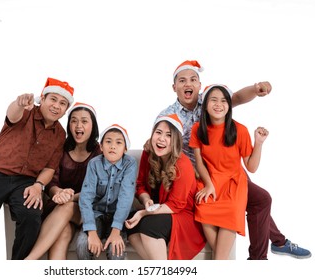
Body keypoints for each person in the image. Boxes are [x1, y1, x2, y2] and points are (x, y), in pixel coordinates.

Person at [159, 60, 311, 259]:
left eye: (193, 80)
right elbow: (161, 146)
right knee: (255, 201)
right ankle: (276, 243)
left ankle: (264, 254)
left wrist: (256, 89)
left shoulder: (211, 98)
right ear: (174, 87)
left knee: (260, 199)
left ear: (198, 85)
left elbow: (237, 97)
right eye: (182, 80)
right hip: (198, 174)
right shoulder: (168, 116)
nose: (188, 84)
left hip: (228, 169)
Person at [0, 77, 74, 260]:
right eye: (53, 99)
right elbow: (12, 114)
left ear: (65, 110)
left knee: (31, 218)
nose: (57, 106)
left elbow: (49, 168)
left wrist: (38, 185)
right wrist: (19, 102)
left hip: (25, 182)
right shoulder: (26, 111)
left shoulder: (60, 134)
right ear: (43, 98)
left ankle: (18, 270)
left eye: (63, 103)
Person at [189, 84, 268, 259]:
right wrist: (208, 185)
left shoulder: (240, 130)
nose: (219, 105)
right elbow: (199, 162)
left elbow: (252, 167)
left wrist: (259, 143)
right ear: (205, 105)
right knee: (203, 208)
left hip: (234, 183)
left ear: (229, 105)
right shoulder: (197, 129)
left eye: (224, 101)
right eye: (213, 100)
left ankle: (220, 263)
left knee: (230, 217)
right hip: (210, 181)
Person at [25, 102, 101, 260]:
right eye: (74, 120)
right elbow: (52, 181)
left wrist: (69, 197)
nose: (78, 125)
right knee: (63, 233)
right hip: (58, 207)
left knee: (66, 207)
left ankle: (28, 261)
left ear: (93, 126)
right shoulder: (61, 148)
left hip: (86, 210)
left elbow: (95, 189)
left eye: (84, 121)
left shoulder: (99, 152)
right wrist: (58, 193)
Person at [126, 114, 206, 260]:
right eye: (158, 132)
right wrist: (146, 200)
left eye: (168, 135)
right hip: (159, 210)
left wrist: (143, 213)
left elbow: (176, 205)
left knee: (149, 225)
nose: (162, 138)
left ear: (175, 141)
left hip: (183, 215)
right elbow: (140, 185)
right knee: (131, 225)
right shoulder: (148, 153)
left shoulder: (183, 164)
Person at [76, 124, 138, 260]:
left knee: (116, 251)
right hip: (96, 213)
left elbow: (126, 198)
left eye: (118, 142)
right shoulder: (94, 164)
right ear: (101, 146)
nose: (113, 146)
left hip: (118, 216)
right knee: (82, 245)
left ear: (125, 148)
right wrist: (91, 232)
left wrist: (116, 231)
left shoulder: (130, 164)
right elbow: (86, 198)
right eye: (108, 142)